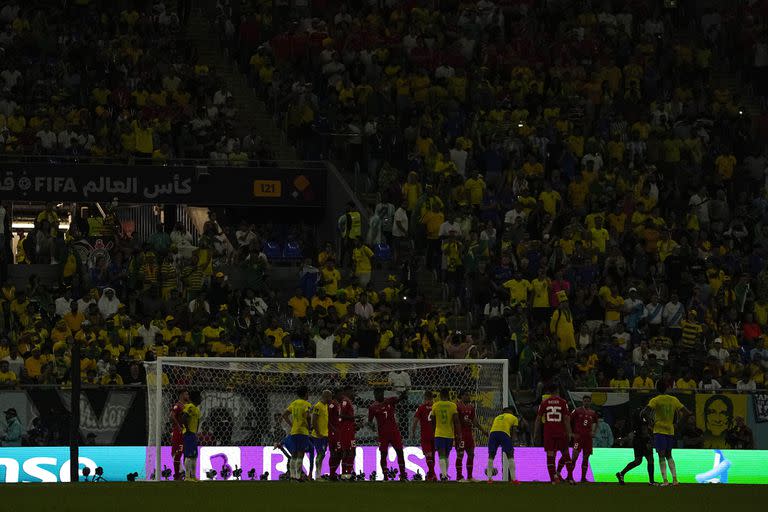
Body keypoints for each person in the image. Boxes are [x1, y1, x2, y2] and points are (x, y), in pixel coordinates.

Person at [647, 382, 691, 486]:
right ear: (667, 388)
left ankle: (665, 480)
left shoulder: (655, 400)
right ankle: (675, 479)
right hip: (670, 430)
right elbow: (688, 413)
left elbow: (644, 412)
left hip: (659, 430)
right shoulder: (674, 399)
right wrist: (678, 425)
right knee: (669, 455)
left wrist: (650, 423)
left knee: (661, 455)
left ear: (657, 389)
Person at [534, 385, 573, 484]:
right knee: (566, 454)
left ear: (549, 392)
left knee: (550, 454)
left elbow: (538, 419)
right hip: (561, 432)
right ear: (557, 390)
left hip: (549, 432)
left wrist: (536, 433)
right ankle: (570, 478)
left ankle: (553, 479)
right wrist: (569, 433)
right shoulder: (563, 402)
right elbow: (566, 419)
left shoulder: (544, 403)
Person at [368, 388, 407, 480]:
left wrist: (403, 395)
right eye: (376, 393)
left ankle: (402, 475)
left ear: (383, 393)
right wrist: (372, 426)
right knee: (383, 454)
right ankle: (385, 476)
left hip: (394, 432)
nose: (378, 395)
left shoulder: (390, 400)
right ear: (374, 394)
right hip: (382, 434)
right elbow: (369, 421)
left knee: (400, 452)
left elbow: (399, 399)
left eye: (379, 392)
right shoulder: (372, 407)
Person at [616, 407, 655, 485]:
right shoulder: (643, 417)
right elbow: (644, 430)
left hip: (636, 440)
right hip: (643, 440)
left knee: (638, 461)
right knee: (650, 459)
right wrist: (648, 441)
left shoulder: (636, 416)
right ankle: (651, 481)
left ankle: (621, 473)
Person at [282, 385, 312, 480]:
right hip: (303, 431)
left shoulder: (294, 403)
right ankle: (299, 476)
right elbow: (308, 416)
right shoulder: (306, 404)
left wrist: (292, 425)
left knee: (294, 453)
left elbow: (284, 415)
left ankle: (292, 475)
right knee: (301, 453)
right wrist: (310, 426)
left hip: (294, 431)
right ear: (306, 394)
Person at [456, 389, 488, 481]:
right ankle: (459, 476)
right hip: (460, 435)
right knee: (460, 455)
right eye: (466, 395)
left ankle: (469, 477)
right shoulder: (457, 406)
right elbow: (455, 421)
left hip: (469, 435)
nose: (468, 397)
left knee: (471, 454)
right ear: (461, 396)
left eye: (469, 395)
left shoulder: (471, 407)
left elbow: (475, 421)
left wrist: (483, 431)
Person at [432, 388, 460, 481]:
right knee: (446, 455)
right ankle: (445, 475)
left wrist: (433, 431)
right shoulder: (453, 405)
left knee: (441, 455)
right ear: (448, 395)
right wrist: (458, 434)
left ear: (440, 395)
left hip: (439, 433)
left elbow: (432, 419)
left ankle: (444, 476)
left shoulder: (435, 405)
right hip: (449, 434)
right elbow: (456, 421)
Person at [568, 394, 598, 483]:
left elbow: (595, 423)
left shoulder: (593, 413)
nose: (587, 402)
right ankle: (569, 477)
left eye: (588, 401)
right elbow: (568, 421)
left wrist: (593, 431)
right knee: (574, 457)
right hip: (578, 437)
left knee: (586, 458)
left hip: (588, 439)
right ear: (582, 401)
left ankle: (583, 478)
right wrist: (571, 433)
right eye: (585, 401)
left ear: (590, 402)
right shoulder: (576, 411)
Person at [485, 406, 519, 483]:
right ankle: (514, 479)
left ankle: (490, 479)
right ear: (512, 412)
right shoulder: (514, 418)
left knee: (491, 456)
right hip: (504, 433)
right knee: (510, 455)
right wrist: (513, 442)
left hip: (493, 433)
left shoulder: (497, 417)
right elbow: (514, 431)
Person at [411, 390, 436, 481]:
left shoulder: (421, 408)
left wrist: (413, 432)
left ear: (424, 398)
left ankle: (432, 475)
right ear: (432, 398)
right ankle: (431, 474)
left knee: (428, 456)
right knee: (432, 456)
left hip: (425, 435)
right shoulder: (436, 407)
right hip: (435, 434)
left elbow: (415, 421)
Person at [310, 389, 332, 480]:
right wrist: (318, 432)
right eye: (330, 397)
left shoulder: (327, 406)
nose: (331, 399)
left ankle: (318, 474)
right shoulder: (318, 406)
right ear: (326, 396)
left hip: (325, 435)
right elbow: (313, 420)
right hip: (318, 435)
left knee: (322, 454)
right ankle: (317, 475)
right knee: (320, 453)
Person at [337, 385, 357, 480]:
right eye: (352, 391)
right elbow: (342, 415)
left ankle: (346, 474)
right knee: (350, 451)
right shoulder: (345, 401)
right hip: (347, 430)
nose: (353, 393)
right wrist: (354, 418)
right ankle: (347, 474)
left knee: (348, 451)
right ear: (347, 391)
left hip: (349, 429)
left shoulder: (345, 401)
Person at [182, 391, 202, 481]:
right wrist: (188, 429)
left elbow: (197, 422)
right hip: (188, 434)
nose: (201, 399)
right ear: (196, 399)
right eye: (200, 397)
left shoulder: (197, 409)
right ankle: (187, 476)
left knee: (194, 456)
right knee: (189, 455)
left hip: (193, 434)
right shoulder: (190, 407)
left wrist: (196, 432)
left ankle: (193, 476)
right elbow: (184, 418)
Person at [170, 389, 190, 479]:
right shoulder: (177, 405)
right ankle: (177, 475)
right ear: (182, 395)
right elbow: (172, 415)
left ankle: (185, 473)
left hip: (186, 433)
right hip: (179, 433)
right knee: (178, 453)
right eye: (186, 394)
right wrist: (178, 426)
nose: (188, 396)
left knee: (186, 453)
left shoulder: (186, 406)